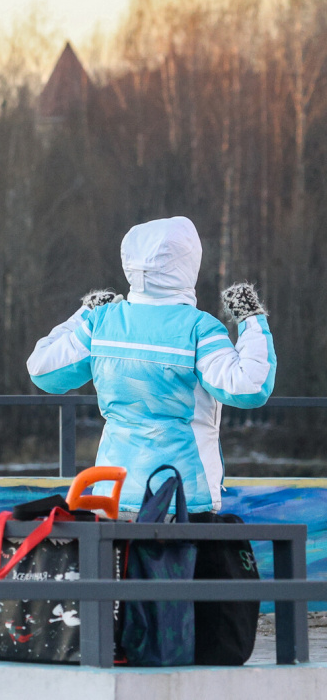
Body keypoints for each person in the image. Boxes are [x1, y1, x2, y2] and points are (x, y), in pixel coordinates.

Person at [26, 216, 275, 516]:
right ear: (189, 263)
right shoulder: (199, 328)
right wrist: (251, 318)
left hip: (111, 496)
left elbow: (43, 370)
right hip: (182, 499)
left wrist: (85, 312)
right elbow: (251, 386)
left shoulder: (102, 322)